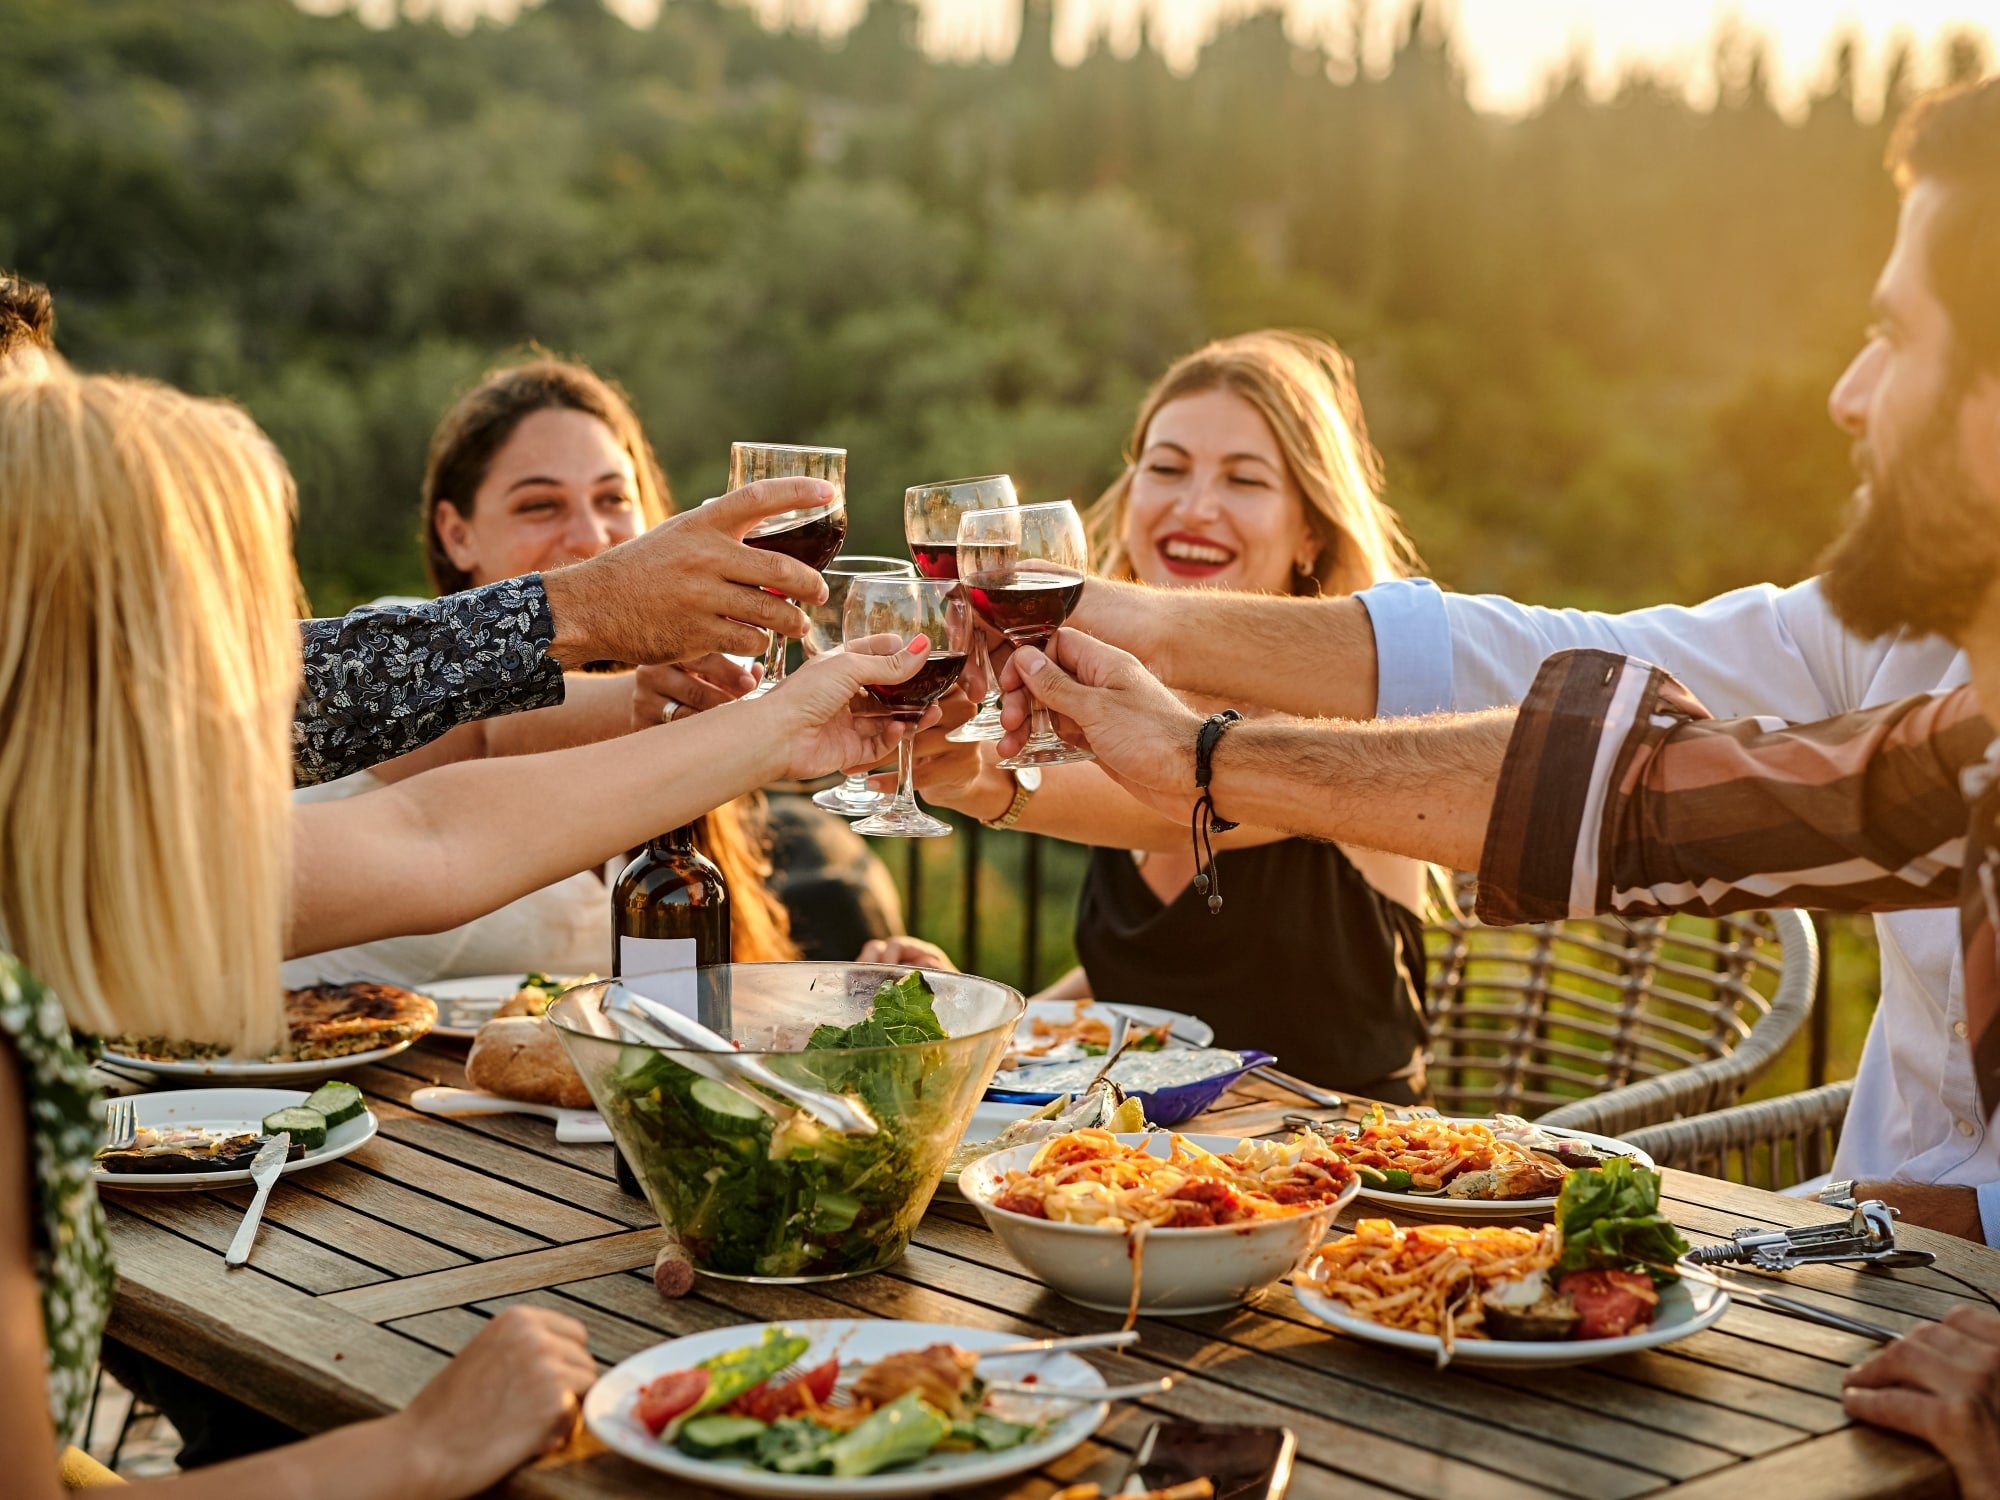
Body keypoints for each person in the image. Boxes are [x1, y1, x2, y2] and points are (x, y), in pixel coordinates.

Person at [996, 73, 2000, 1494]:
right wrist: (1143, 639)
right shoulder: (1923, 721)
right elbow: (1600, 737)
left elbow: (1632, 796)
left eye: (1896, 338)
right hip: (1850, 1299)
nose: (1842, 396)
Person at [0, 362, 936, 1495]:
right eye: (227, 616)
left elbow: (433, 839)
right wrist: (414, 1449)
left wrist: (789, 724)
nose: (278, 671)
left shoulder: (67, 862)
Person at [913, 332, 1433, 1099]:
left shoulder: (1352, 705)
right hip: (1134, 1178)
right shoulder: (1104, 688)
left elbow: (1179, 796)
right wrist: (975, 1028)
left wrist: (983, 779)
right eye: (1166, 469)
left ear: (1310, 530)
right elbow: (1156, 971)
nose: (1195, 507)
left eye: (1244, 480)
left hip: (1351, 1177)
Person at [289, 359, 794, 985]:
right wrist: (650, 702)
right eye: (540, 505)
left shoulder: (684, 739)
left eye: (613, 498)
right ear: (457, 534)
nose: (589, 535)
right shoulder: (395, 647)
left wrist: (868, 979)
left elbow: (705, 993)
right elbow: (486, 732)